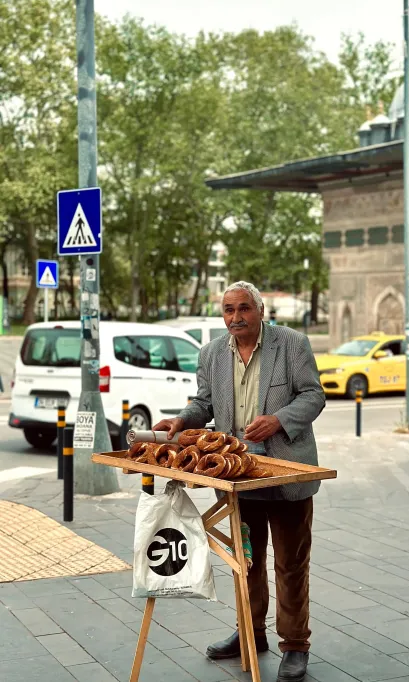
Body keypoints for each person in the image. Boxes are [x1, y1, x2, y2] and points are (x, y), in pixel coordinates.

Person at [153, 280, 325, 682]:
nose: (236, 317)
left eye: (244, 308)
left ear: (260, 310)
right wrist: (180, 421)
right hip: (237, 478)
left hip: (286, 475)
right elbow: (203, 404)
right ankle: (251, 632)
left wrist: (279, 420)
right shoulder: (211, 353)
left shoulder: (292, 344)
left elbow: (313, 396)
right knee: (245, 562)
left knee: (290, 564)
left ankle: (295, 645)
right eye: (229, 310)